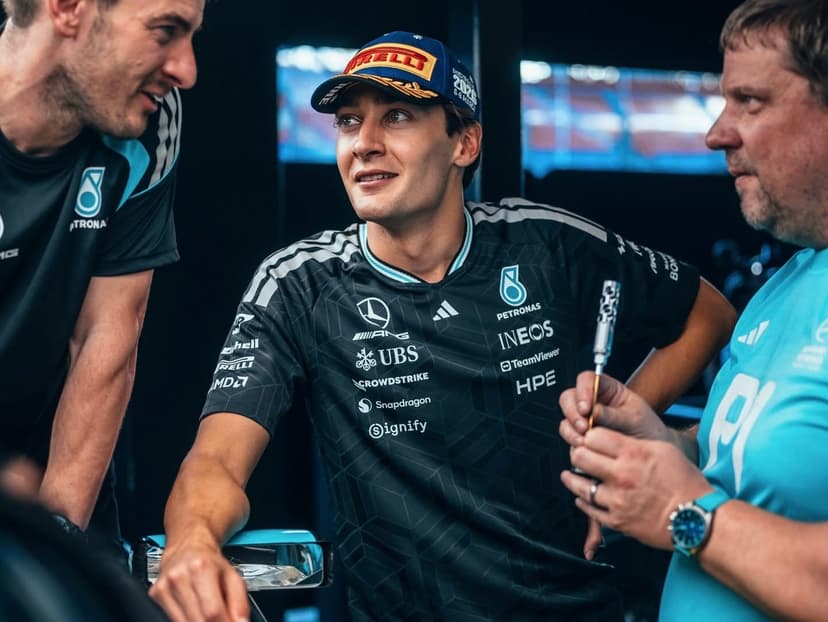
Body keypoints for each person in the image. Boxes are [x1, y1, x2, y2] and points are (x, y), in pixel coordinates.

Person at [150, 31, 736, 622]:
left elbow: (708, 314)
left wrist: (606, 447)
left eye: (397, 116)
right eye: (349, 122)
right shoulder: (299, 284)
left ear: (464, 142)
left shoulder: (545, 243)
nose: (364, 143)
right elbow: (216, 460)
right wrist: (192, 541)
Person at [559, 1, 828, 620]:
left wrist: (684, 515)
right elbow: (744, 474)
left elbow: (699, 510)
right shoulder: (787, 282)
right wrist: (655, 446)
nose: (717, 133)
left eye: (750, 101)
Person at [0, 0, 203, 550]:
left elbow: (108, 334)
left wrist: (54, 545)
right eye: (165, 30)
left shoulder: (151, 120)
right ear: (68, 9)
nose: (186, 69)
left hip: (52, 474)